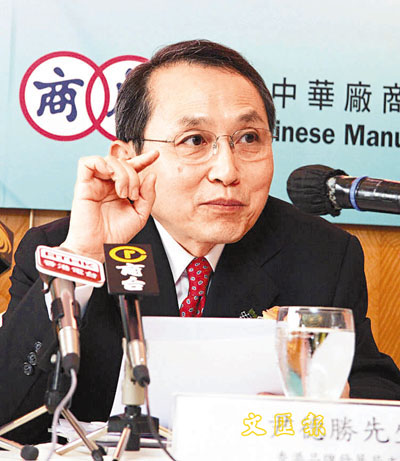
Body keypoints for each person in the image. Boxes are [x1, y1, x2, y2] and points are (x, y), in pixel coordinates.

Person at [1, 39, 399, 445]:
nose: (227, 171)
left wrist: (337, 403)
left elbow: (377, 388)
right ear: (128, 158)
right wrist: (82, 259)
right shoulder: (58, 249)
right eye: (194, 140)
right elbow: (7, 413)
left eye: (249, 138)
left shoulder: (319, 254)